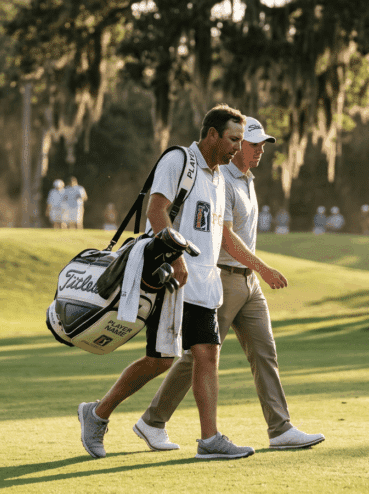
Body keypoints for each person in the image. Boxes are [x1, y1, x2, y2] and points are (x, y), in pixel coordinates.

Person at [133, 116, 324, 453]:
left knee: (264, 353)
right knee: (199, 354)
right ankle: (153, 420)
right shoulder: (220, 179)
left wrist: (256, 273)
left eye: (261, 145)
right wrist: (263, 267)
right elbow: (225, 238)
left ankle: (280, 428)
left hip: (247, 282)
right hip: (221, 276)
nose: (258, 150)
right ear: (229, 143)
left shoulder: (246, 180)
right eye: (251, 144)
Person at [77, 104, 257, 460]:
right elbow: (156, 211)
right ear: (212, 135)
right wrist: (176, 260)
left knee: (207, 354)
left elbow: (216, 232)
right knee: (160, 360)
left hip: (204, 285)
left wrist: (253, 267)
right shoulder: (178, 161)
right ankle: (96, 414)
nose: (238, 146)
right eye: (233, 138)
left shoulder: (221, 177)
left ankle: (210, 440)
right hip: (170, 278)